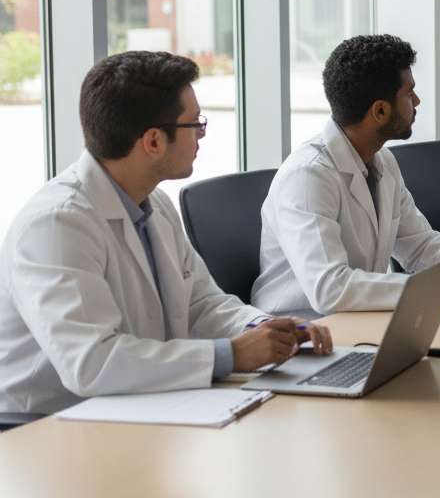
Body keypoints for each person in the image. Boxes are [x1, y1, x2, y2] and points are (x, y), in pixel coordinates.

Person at [0, 52, 333, 415]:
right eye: (196, 124)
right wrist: (234, 354)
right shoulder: (55, 224)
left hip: (138, 405)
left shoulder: (153, 202)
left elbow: (202, 303)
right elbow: (92, 364)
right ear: (154, 141)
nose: (202, 136)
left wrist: (267, 328)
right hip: (46, 425)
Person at [251, 35, 440, 317]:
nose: (417, 100)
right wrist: (437, 287)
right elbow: (330, 289)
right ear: (380, 110)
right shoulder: (307, 178)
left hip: (361, 319)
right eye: (409, 94)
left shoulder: (381, 159)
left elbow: (420, 245)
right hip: (303, 332)